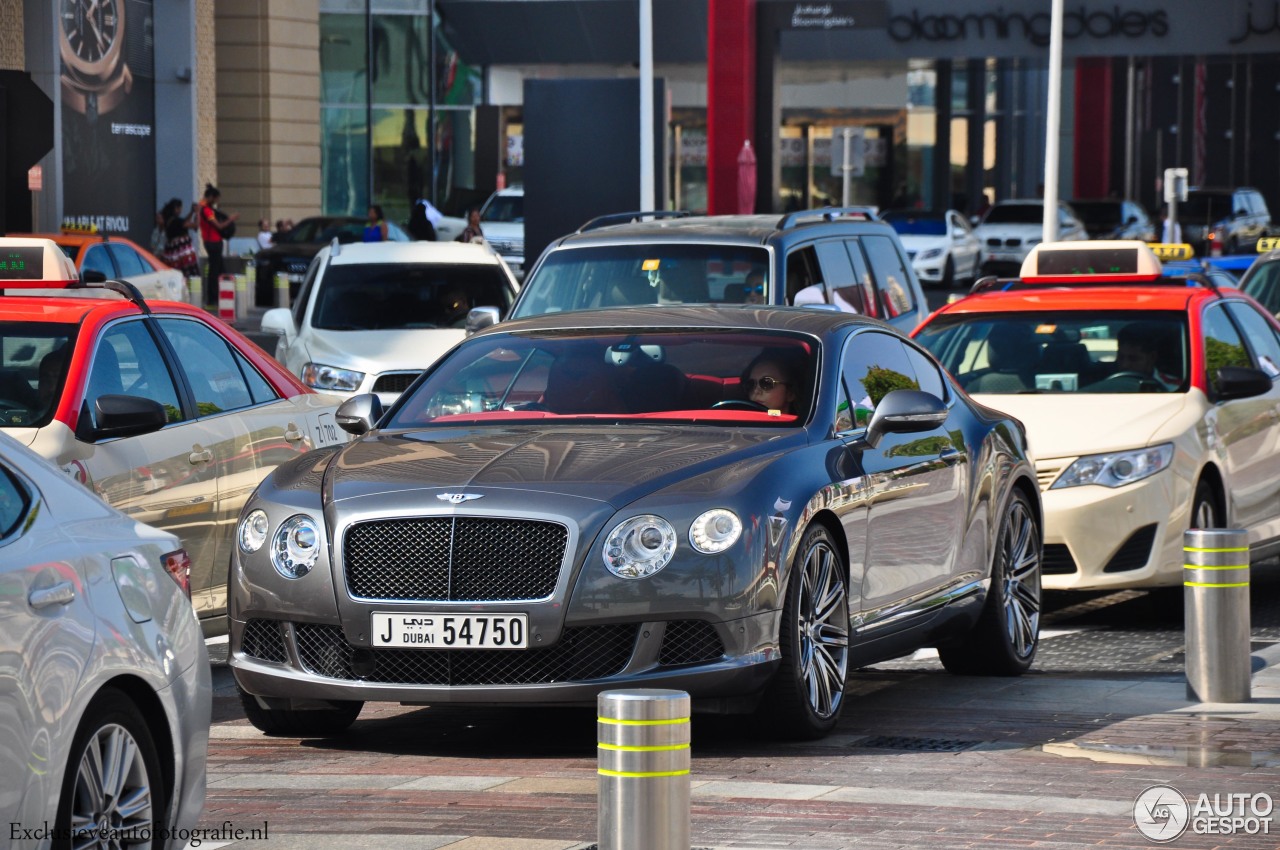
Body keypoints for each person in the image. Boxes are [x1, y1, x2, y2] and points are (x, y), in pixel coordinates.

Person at [199, 183, 238, 305]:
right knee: (214, 271)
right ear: (211, 197)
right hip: (212, 242)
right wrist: (231, 219)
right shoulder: (206, 210)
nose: (217, 201)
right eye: (216, 198)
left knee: (220, 270)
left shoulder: (207, 208)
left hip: (215, 242)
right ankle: (212, 298)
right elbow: (219, 226)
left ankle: (221, 297)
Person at [1113, 323, 1181, 390]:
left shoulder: (1174, 387)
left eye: (1133, 359)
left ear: (1152, 357)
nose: (1125, 365)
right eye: (1120, 357)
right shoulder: (1106, 385)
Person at [159, 197, 200, 278]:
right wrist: (198, 213)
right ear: (176, 208)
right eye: (180, 208)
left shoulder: (169, 220)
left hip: (172, 254)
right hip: (183, 254)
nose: (181, 211)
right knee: (189, 275)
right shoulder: (177, 221)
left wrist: (192, 212)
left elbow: (184, 222)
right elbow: (195, 225)